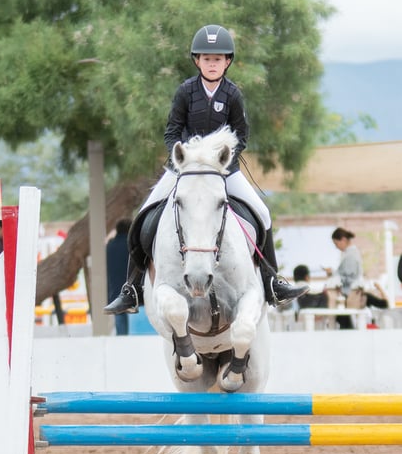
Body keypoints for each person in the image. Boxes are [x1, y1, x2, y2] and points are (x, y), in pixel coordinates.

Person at [104, 24, 308, 316]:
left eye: (218, 58)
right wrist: (181, 156)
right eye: (207, 58)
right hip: (185, 168)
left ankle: (273, 281)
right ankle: (132, 288)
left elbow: (241, 134)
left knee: (262, 212)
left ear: (227, 62)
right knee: (144, 214)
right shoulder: (185, 91)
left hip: (223, 170)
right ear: (197, 61)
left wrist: (223, 159)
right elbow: (172, 130)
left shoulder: (233, 94)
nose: (212, 63)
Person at [106, 219, 132, 335]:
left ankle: (122, 343)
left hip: (115, 291)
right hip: (133, 291)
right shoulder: (132, 246)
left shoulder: (110, 246)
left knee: (121, 326)